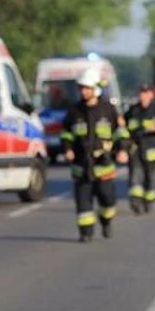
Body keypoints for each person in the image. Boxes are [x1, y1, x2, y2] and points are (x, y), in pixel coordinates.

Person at [60, 68, 130, 242]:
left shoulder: (108, 110)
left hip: (103, 166)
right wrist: (67, 149)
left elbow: (120, 133)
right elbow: (66, 133)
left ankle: (106, 221)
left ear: (95, 89)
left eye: (87, 88)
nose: (83, 92)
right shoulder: (74, 111)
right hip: (81, 166)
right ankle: (86, 232)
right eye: (81, 88)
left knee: (107, 201)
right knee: (83, 204)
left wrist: (122, 150)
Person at [124, 84, 155, 214]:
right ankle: (135, 201)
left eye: (146, 93)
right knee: (135, 176)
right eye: (142, 92)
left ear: (151, 95)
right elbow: (124, 126)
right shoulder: (133, 110)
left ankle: (148, 201)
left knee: (151, 179)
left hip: (151, 149)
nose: (143, 95)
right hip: (136, 148)